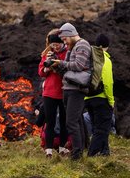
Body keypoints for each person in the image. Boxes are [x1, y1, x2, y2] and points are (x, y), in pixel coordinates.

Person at [52, 23, 92, 160]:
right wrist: (56, 66)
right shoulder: (72, 47)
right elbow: (67, 70)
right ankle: (82, 149)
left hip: (77, 89)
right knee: (78, 120)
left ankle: (77, 154)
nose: (64, 42)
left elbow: (78, 65)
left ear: (70, 34)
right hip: (69, 88)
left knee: (71, 122)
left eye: (64, 39)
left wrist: (60, 63)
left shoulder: (82, 45)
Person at [38, 29, 68, 158]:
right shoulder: (47, 53)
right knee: (49, 122)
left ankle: (62, 147)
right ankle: (48, 149)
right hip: (49, 92)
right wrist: (47, 68)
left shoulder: (68, 53)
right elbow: (40, 72)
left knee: (63, 121)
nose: (55, 47)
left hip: (64, 91)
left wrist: (58, 65)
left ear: (63, 43)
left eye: (58, 44)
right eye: (53, 45)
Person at [84, 34, 114, 157]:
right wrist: (111, 100)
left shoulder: (88, 57)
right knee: (102, 129)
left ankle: (104, 151)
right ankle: (91, 154)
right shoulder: (105, 59)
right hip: (101, 98)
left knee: (97, 127)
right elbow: (108, 82)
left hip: (87, 97)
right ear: (106, 46)